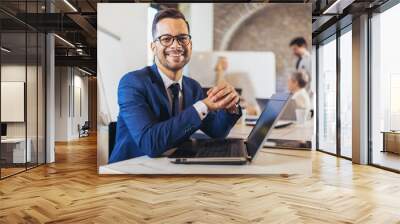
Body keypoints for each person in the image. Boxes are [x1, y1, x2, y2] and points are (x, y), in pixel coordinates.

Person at [109, 8, 241, 163]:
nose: (176, 45)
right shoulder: (132, 83)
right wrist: (202, 106)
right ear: (153, 47)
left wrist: (229, 107)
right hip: (129, 172)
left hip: (171, 168)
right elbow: (150, 143)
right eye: (166, 39)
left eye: (182, 38)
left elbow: (217, 131)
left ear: (190, 45)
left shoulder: (192, 87)